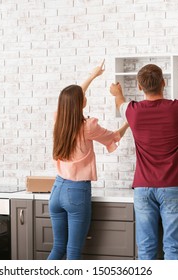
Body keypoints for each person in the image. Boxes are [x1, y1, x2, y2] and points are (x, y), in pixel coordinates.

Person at [110, 64, 178, 260]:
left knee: (146, 251)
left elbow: (120, 102)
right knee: (173, 250)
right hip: (174, 186)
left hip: (142, 189)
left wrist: (116, 92)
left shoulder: (133, 111)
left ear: (140, 87)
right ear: (164, 83)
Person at [48, 60, 130, 260]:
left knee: (58, 248)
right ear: (82, 102)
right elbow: (113, 137)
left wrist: (92, 76)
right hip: (76, 192)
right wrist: (130, 120)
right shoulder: (88, 127)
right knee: (73, 251)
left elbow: (73, 98)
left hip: (57, 191)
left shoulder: (60, 119)